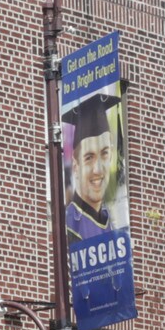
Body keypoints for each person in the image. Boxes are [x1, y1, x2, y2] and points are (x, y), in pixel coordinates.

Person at [65, 94, 123, 243]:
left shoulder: (112, 222)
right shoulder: (69, 222)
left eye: (104, 153)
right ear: (76, 166)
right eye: (89, 157)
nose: (97, 169)